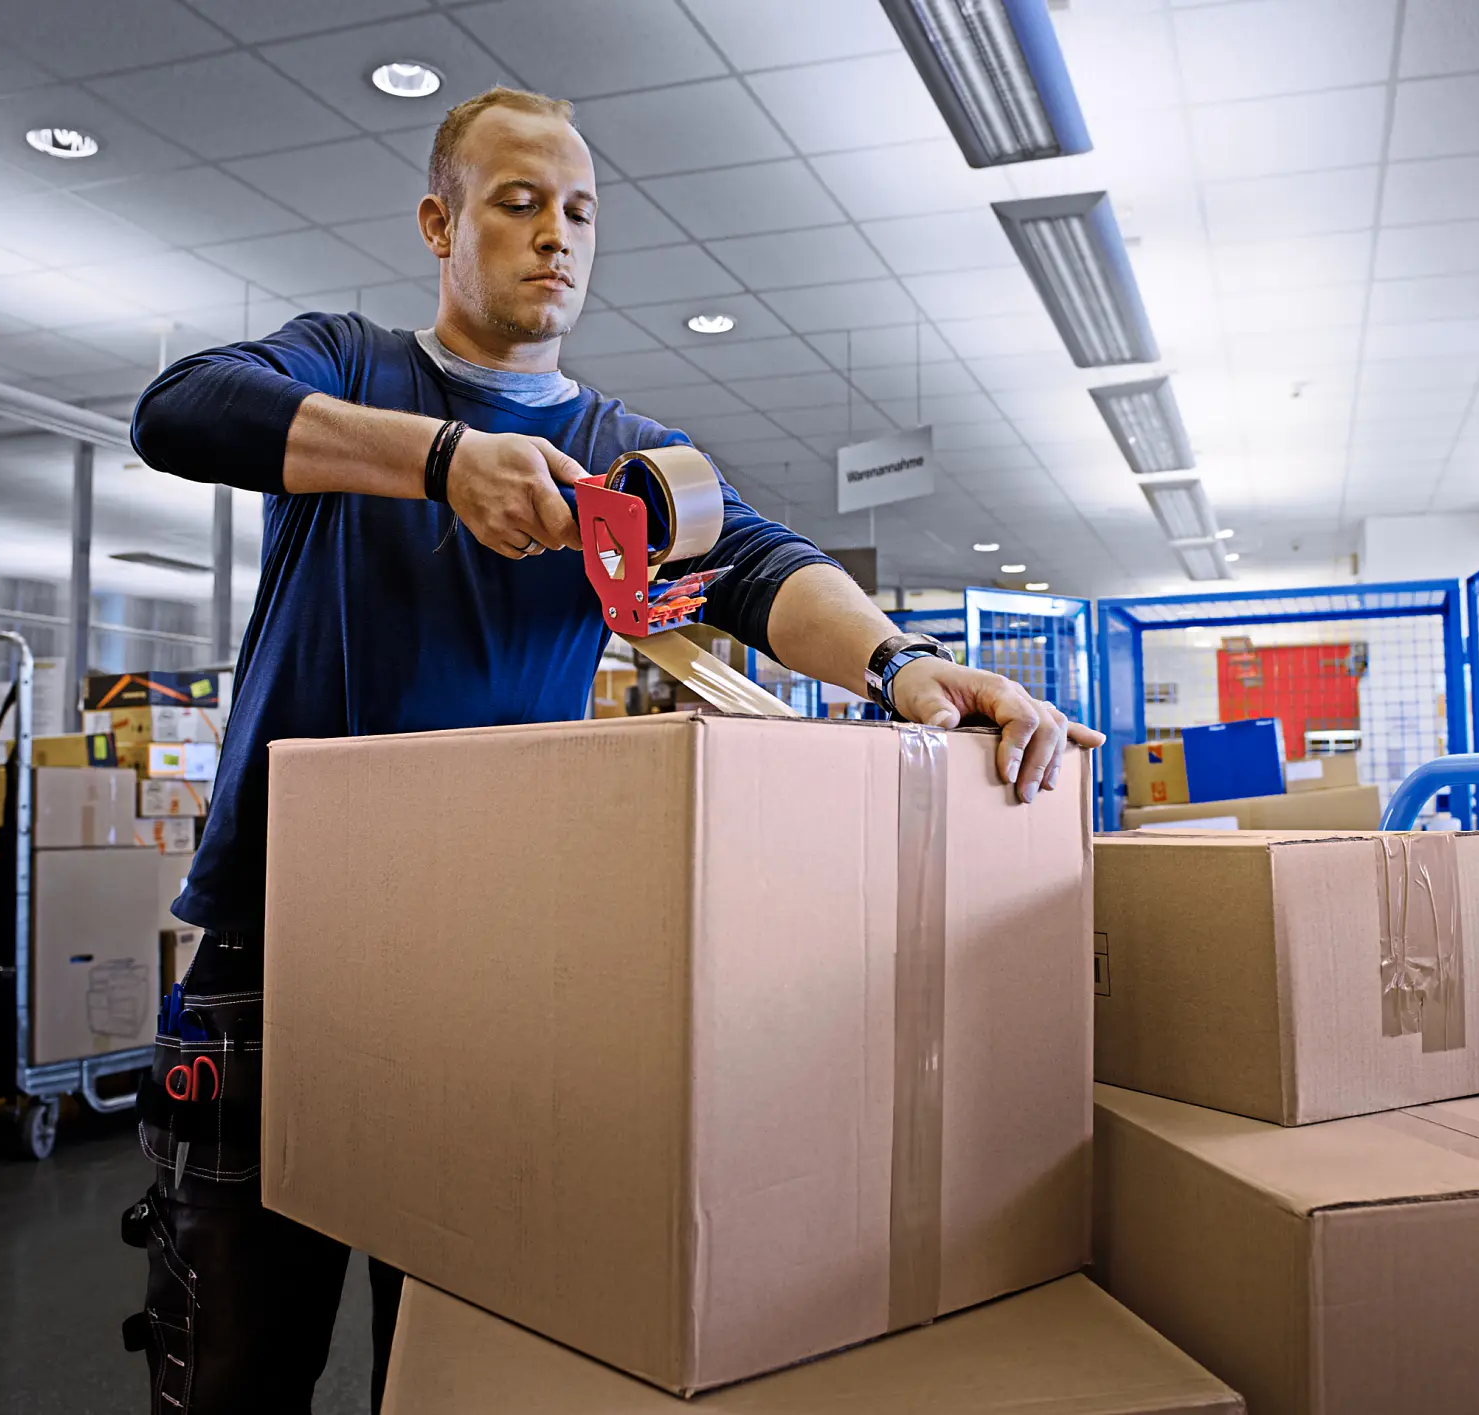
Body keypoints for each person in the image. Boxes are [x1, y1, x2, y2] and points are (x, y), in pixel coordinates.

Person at [118, 85, 1102, 1414]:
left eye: (578, 211)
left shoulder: (623, 459)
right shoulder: (352, 367)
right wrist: (441, 459)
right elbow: (183, 409)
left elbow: (763, 566)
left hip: (492, 966)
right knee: (234, 1357)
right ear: (438, 221)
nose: (555, 237)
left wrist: (904, 666)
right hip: (271, 948)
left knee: (457, 1360)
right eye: (517, 203)